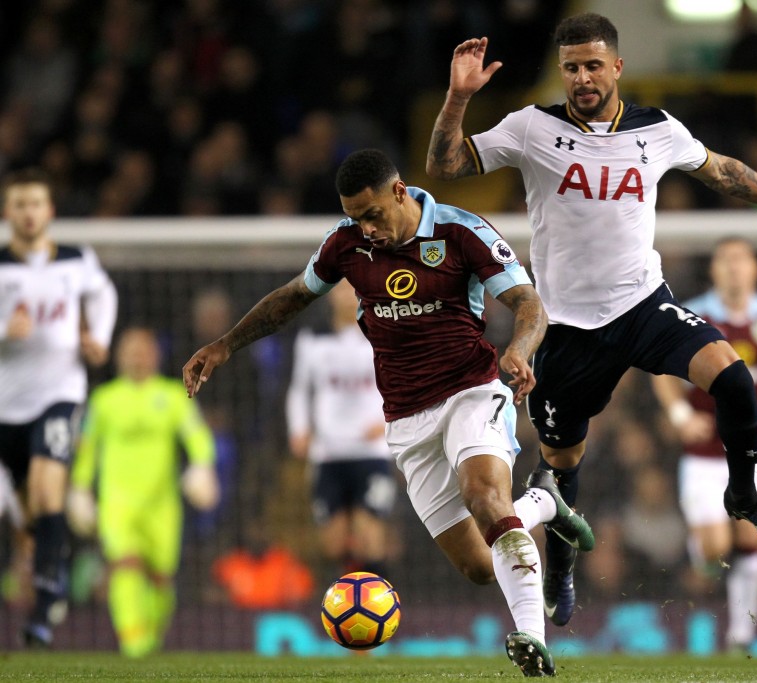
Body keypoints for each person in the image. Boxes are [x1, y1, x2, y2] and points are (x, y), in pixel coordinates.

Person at [426, 11, 757, 626]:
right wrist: (457, 98)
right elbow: (446, 166)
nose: (582, 77)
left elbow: (723, 171)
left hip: (643, 305)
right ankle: (560, 570)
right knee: (560, 470)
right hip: (567, 330)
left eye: (592, 66)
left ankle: (743, 494)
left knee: (735, 379)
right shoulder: (532, 127)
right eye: (571, 68)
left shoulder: (657, 129)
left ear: (616, 67)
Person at [182, 149, 594, 677]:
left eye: (371, 214)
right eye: (355, 217)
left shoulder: (461, 231)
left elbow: (529, 302)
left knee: (485, 497)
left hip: (472, 389)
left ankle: (531, 639)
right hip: (406, 418)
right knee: (476, 566)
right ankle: (543, 501)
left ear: (399, 192)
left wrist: (519, 350)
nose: (365, 227)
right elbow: (291, 297)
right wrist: (225, 345)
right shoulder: (346, 243)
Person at [651, 236, 757, 653]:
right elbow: (661, 373)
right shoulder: (693, 314)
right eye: (725, 260)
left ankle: (741, 633)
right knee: (715, 549)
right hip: (703, 450)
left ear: (756, 269)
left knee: (750, 537)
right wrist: (681, 416)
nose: (734, 267)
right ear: (714, 270)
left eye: (741, 260)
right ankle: (703, 559)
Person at [0, 168, 117, 647]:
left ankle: (49, 596)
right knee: (27, 516)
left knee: (50, 491)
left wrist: (98, 339)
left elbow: (103, 293)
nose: (28, 213)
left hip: (59, 393)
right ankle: (46, 574)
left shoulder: (76, 260)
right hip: (7, 405)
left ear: (49, 212)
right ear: (8, 214)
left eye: (36, 204)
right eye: (19, 205)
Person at [66, 327, 219, 657]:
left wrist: (202, 467)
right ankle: (133, 643)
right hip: (117, 502)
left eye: (143, 349)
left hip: (162, 504)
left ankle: (150, 638)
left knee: (161, 577)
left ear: (156, 355)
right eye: (130, 350)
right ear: (119, 356)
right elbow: (88, 449)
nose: (137, 356)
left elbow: (197, 437)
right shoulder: (104, 400)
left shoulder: (174, 395)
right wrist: (79, 488)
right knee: (124, 564)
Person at [286, 280, 395, 581]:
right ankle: (343, 604)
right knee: (332, 542)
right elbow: (299, 390)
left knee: (369, 533)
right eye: (343, 289)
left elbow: (404, 384)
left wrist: (388, 422)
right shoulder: (312, 340)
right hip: (328, 452)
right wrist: (299, 429)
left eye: (354, 287)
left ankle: (379, 603)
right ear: (331, 294)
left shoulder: (384, 335)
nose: (349, 295)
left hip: (371, 452)